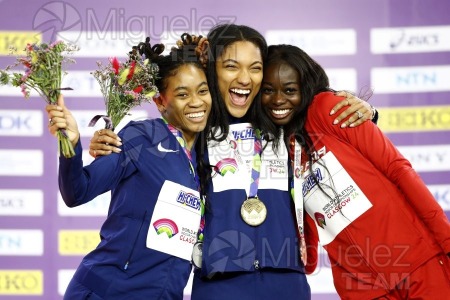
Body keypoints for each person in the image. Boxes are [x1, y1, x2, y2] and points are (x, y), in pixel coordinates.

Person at [88, 24, 377, 299]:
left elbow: (327, 118)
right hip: (218, 286)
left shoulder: (284, 123)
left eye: (255, 68)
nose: (244, 78)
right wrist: (110, 143)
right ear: (211, 71)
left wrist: (368, 112)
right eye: (231, 66)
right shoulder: (191, 131)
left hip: (287, 283)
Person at [260, 44, 450, 299]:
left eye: (290, 90)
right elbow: (304, 221)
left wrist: (445, 239)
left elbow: (398, 169)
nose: (278, 100)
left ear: (304, 88)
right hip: (361, 287)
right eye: (268, 91)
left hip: (415, 262)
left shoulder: (327, 108)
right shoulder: (275, 148)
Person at [46, 36, 212, 299]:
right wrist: (72, 143)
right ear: (160, 102)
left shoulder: (209, 155)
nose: (196, 102)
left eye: (203, 91)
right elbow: (78, 190)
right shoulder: (142, 138)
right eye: (182, 94)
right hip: (108, 291)